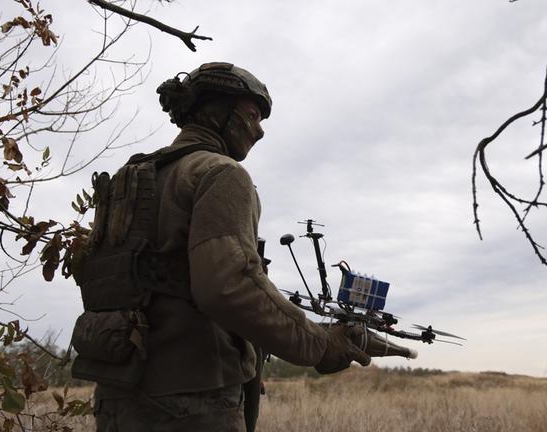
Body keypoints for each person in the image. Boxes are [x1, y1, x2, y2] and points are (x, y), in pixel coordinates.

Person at [82, 62, 371, 431]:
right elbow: (229, 284)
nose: (260, 130)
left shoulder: (131, 178)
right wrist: (318, 344)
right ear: (217, 112)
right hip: (193, 399)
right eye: (253, 114)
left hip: (117, 396)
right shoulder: (219, 173)